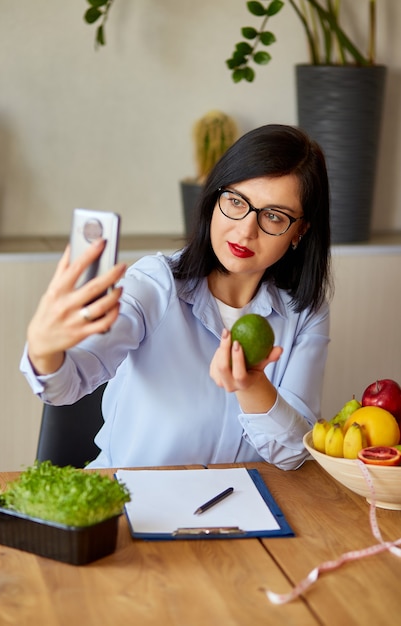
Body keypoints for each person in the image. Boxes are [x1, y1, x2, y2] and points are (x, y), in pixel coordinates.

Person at [20, 124, 332, 471]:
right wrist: (44, 349)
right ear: (215, 197)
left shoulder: (304, 312)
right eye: (236, 201)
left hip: (241, 513)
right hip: (132, 503)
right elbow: (64, 386)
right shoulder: (154, 283)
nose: (246, 229)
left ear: (300, 231)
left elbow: (295, 454)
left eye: (273, 216)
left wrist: (252, 384)